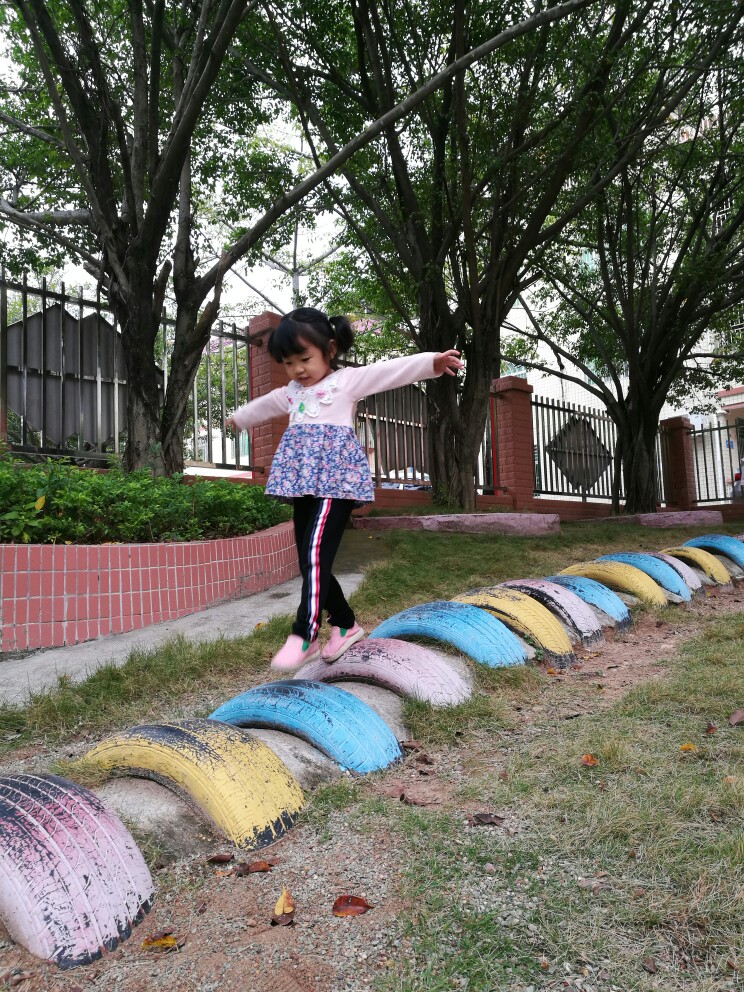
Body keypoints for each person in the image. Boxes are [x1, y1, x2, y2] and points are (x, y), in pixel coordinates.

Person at [226, 307, 462, 671]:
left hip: (335, 484)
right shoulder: (292, 393)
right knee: (310, 562)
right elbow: (266, 404)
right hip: (303, 485)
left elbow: (388, 371)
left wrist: (431, 362)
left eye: (305, 359)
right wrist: (239, 418)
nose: (298, 369)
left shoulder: (346, 382)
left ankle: (305, 634)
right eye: (289, 363)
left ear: (330, 350)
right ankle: (346, 623)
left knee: (315, 557)